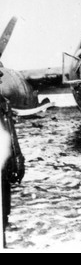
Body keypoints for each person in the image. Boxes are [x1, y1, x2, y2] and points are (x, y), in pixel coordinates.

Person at [0, 93, 25, 247]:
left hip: (3, 163)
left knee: (3, 213)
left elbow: (10, 134)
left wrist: (17, 158)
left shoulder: (2, 102)